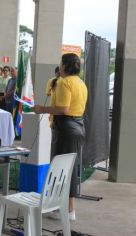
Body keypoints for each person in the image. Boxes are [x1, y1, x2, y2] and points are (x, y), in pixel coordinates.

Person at [33, 53, 88, 221]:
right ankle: (66, 208)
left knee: (61, 169)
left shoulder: (65, 83)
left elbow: (63, 109)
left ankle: (66, 209)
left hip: (65, 127)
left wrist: (42, 109)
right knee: (68, 168)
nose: (59, 65)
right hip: (77, 126)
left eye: (61, 63)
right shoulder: (80, 83)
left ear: (65, 66)